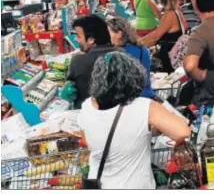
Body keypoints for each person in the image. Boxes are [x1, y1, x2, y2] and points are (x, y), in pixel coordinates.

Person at [78, 52, 191, 189]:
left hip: (99, 185)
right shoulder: (144, 107)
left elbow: (88, 140)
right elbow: (182, 132)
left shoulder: (87, 106)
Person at [67, 15, 117, 109]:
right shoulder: (122, 55)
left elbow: (71, 84)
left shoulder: (78, 60)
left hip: (88, 115)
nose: (75, 39)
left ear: (91, 40)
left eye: (78, 36)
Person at [140, 0, 187, 73]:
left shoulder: (169, 14)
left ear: (161, 0)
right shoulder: (177, 12)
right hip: (176, 56)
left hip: (170, 58)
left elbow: (155, 37)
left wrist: (137, 44)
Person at [107, 17, 154, 99]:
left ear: (119, 33)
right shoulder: (141, 48)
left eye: (108, 33)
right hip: (146, 95)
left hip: (130, 98)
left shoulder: (119, 53)